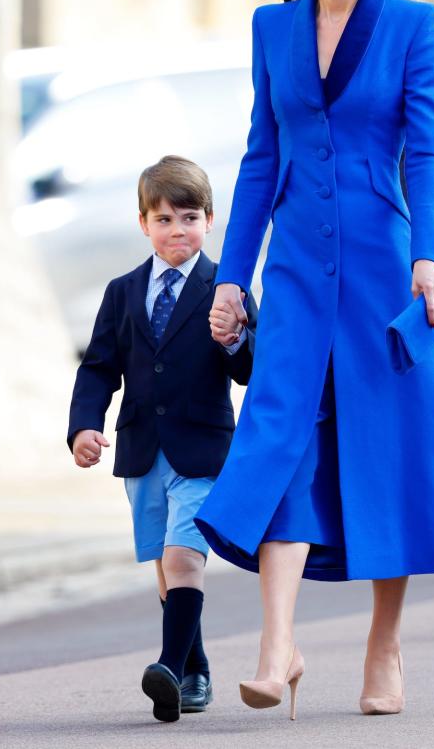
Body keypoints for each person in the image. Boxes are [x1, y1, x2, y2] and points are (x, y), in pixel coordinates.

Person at [195, 0, 434, 720]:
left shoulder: (415, 29)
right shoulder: (272, 28)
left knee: (388, 449)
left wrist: (430, 251)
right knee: (281, 435)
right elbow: (263, 157)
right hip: (297, 271)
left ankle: (384, 644)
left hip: (383, 267)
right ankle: (277, 645)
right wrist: (233, 275)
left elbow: (422, 151)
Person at [67, 156, 257, 722]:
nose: (178, 231)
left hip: (202, 450)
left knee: (183, 557)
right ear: (144, 223)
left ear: (211, 219)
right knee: (164, 565)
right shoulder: (122, 292)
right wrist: (83, 425)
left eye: (190, 217)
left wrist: (234, 341)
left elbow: (251, 369)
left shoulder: (228, 288)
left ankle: (170, 667)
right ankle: (194, 670)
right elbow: (98, 367)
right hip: (141, 449)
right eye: (165, 219)